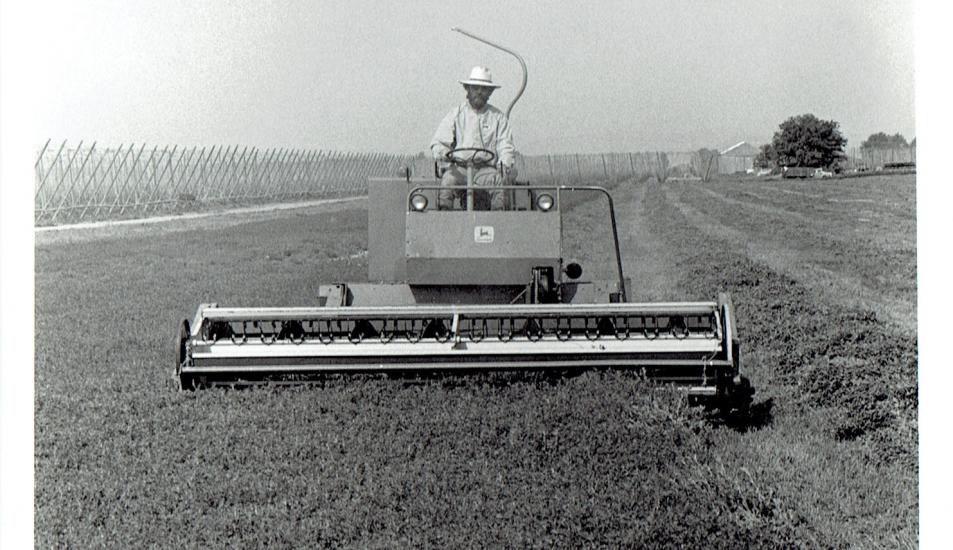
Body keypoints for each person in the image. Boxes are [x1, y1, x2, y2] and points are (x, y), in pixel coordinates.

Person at [430, 66, 518, 210]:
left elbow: (505, 145)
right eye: (475, 88)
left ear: (490, 92)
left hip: (486, 170)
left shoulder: (498, 118)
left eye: (484, 89)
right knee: (447, 183)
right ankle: (445, 223)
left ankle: (498, 223)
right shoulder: (456, 114)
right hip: (460, 170)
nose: (479, 92)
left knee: (499, 185)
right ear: (467, 89)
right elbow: (439, 142)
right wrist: (442, 154)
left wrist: (504, 164)